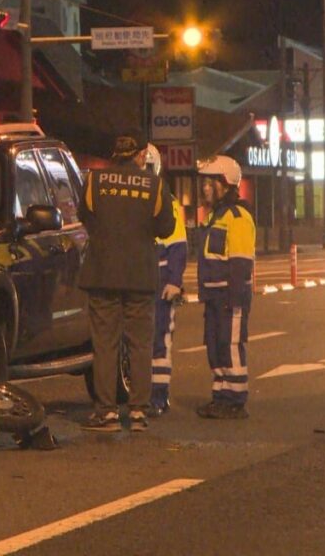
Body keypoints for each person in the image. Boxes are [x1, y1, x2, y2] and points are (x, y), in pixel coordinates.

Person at [78, 132, 175, 432]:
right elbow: (167, 228)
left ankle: (106, 413)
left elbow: (86, 217)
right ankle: (137, 412)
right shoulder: (155, 185)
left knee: (105, 345)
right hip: (140, 275)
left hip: (103, 273)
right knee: (140, 345)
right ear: (141, 154)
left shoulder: (94, 181)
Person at [195, 155, 255, 420]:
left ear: (226, 184)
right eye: (204, 183)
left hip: (230, 295)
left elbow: (241, 262)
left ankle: (235, 400)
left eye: (211, 183)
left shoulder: (237, 216)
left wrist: (234, 297)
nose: (205, 188)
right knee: (215, 345)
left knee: (230, 345)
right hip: (214, 294)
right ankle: (220, 396)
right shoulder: (213, 217)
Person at [145, 144, 187, 418]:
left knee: (160, 340)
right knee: (137, 342)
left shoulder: (169, 203)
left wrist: (174, 281)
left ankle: (158, 397)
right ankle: (139, 396)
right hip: (137, 279)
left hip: (159, 281)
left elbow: (178, 246)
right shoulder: (132, 200)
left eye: (147, 169)